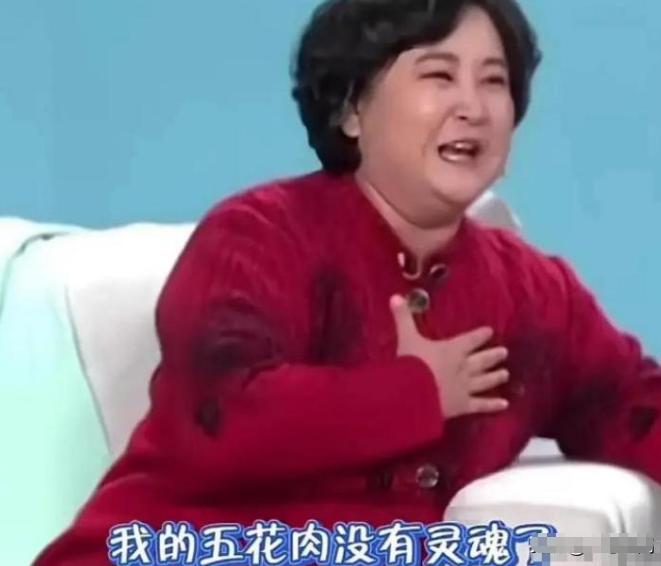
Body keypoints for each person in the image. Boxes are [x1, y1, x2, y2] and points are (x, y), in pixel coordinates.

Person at [35, 0, 661, 563]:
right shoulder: (257, 236)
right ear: (351, 109)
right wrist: (415, 391)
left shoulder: (534, 293)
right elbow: (223, 419)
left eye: (494, 81)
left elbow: (628, 407)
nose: (474, 107)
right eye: (439, 76)